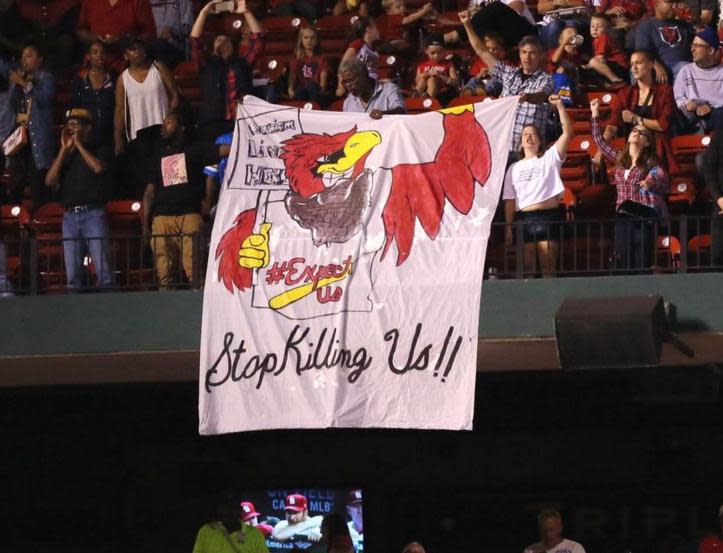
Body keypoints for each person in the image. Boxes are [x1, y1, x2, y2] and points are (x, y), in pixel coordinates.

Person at [143, 109, 228, 289]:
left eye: (169, 122)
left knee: (195, 272)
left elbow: (223, 150)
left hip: (189, 215)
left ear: (181, 128)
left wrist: (250, 139)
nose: (163, 126)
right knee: (164, 274)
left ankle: (198, 309)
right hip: (161, 218)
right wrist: (145, 223)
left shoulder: (194, 150)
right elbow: (149, 192)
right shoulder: (157, 156)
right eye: (164, 122)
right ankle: (167, 309)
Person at [461, 10, 555, 156]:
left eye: (532, 53)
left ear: (541, 55)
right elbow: (481, 51)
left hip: (528, 151)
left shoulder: (546, 79)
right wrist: (467, 25)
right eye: (524, 52)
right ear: (519, 54)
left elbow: (542, 95)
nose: (527, 57)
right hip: (502, 147)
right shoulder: (508, 73)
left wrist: (527, 97)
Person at [591, 97, 670, 270]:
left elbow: (663, 179)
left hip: (642, 213)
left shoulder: (650, 162)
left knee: (640, 256)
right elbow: (600, 142)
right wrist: (595, 114)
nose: (636, 133)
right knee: (622, 256)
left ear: (647, 142)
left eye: (641, 132)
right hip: (623, 213)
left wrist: (650, 181)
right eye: (634, 130)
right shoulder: (620, 159)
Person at [44, 108, 113, 290]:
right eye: (69, 125)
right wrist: (63, 150)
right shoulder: (65, 155)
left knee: (103, 271)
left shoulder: (100, 148)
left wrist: (80, 145)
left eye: (76, 124)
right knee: (72, 276)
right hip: (69, 218)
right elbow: (50, 180)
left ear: (87, 128)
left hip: (93, 213)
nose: (71, 128)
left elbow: (98, 168)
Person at [504, 95, 573, 276]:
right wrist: (508, 226)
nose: (529, 137)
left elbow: (567, 133)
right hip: (523, 219)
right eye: (525, 134)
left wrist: (559, 106)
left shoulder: (550, 157)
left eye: (533, 134)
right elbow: (510, 200)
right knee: (526, 270)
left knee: (548, 269)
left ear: (540, 140)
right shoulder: (513, 168)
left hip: (548, 216)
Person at [190, 0, 264, 139]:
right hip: (212, 122)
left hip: (241, 119)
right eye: (219, 40)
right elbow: (195, 40)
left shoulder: (242, 63)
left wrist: (246, 12)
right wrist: (203, 12)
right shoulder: (206, 65)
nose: (223, 42)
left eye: (226, 40)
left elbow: (258, 39)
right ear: (212, 49)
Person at [1, 44, 56, 207]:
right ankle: (15, 221)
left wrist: (24, 84)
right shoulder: (18, 77)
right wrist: (18, 82)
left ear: (40, 60)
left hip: (36, 137)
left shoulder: (46, 77)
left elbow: (45, 98)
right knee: (15, 183)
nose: (24, 59)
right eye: (23, 56)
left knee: (37, 183)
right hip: (18, 135)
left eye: (30, 55)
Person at [606, 49, 676, 171]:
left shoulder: (664, 91)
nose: (634, 68)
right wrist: (600, 150)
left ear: (650, 65)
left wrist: (635, 118)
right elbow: (612, 124)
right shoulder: (625, 94)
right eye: (632, 64)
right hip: (633, 148)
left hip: (657, 146)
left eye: (638, 63)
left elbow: (663, 125)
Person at [77, 0, 157, 71]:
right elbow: (81, 30)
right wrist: (95, 39)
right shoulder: (90, 2)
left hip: (127, 68)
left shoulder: (138, 2)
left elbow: (150, 35)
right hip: (95, 68)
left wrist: (123, 41)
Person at [673, 26, 723, 132]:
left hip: (716, 114)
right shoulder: (686, 70)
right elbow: (677, 97)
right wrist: (687, 104)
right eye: (692, 45)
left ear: (710, 50)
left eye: (697, 46)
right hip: (691, 114)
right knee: (672, 114)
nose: (692, 49)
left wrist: (711, 108)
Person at [635, 0, 695, 83]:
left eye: (675, 3)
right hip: (656, 66)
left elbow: (701, 37)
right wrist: (656, 66)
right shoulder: (646, 25)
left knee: (685, 67)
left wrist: (692, 17)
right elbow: (642, 52)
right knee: (637, 70)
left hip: (680, 66)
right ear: (657, 5)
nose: (674, 6)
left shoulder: (683, 25)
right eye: (669, 2)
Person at [72, 40, 116, 148]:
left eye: (102, 52)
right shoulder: (80, 79)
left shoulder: (114, 77)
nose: (99, 55)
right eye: (95, 52)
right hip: (87, 134)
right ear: (88, 56)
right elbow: (75, 106)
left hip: (110, 134)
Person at [192, 493, 270, 553]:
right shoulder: (206, 531)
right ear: (220, 510)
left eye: (233, 508)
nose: (229, 512)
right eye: (226, 507)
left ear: (239, 511)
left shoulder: (255, 535)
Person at [339, 57, 406, 118]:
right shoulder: (348, 102)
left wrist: (384, 114)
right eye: (345, 82)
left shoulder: (389, 90)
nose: (348, 85)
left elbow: (401, 112)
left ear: (364, 75)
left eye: (351, 80)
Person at [337, 16, 380, 97]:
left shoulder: (375, 48)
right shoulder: (358, 43)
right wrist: (340, 85)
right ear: (368, 29)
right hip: (360, 84)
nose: (378, 30)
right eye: (375, 27)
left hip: (373, 83)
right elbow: (343, 65)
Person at [287, 26, 329, 104]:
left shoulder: (321, 58)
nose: (309, 40)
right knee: (300, 90)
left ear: (316, 41)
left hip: (315, 91)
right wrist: (290, 89)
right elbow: (292, 75)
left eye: (312, 38)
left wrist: (322, 89)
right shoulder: (295, 58)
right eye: (306, 38)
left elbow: (323, 79)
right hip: (300, 91)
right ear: (301, 40)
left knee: (311, 86)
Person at [585, 13, 628, 86]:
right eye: (592, 26)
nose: (595, 29)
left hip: (619, 67)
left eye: (599, 26)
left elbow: (600, 58)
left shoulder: (603, 37)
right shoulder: (595, 41)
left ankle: (615, 79)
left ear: (607, 28)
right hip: (610, 66)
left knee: (593, 62)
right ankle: (606, 84)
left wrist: (588, 65)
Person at [461, 32, 509, 97]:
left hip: (494, 90)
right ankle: (467, 93)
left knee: (494, 81)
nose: (491, 51)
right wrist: (480, 74)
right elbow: (474, 78)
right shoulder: (479, 62)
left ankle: (485, 93)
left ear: (502, 49)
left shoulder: (506, 62)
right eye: (488, 48)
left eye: (495, 49)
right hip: (479, 86)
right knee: (473, 80)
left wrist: (493, 72)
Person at [414, 34, 459, 102]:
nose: (436, 56)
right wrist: (424, 75)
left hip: (443, 92)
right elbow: (417, 81)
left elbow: (456, 82)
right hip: (424, 90)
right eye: (432, 53)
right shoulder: (422, 65)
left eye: (440, 52)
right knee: (423, 79)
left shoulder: (448, 64)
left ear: (444, 51)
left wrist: (441, 76)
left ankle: (429, 100)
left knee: (432, 80)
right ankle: (416, 97)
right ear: (426, 51)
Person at [149, 0, 192, 68]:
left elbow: (187, 28)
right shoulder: (145, 2)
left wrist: (173, 32)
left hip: (175, 47)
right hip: (150, 46)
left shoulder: (183, 2)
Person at [703, 131, 723, 265]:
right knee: (718, 255)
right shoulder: (719, 138)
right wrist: (719, 199)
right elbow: (709, 171)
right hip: (721, 204)